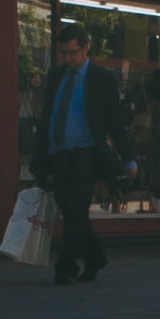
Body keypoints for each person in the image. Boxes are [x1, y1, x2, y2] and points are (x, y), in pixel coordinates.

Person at [32, 25, 125, 285]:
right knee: (70, 210)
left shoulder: (100, 79)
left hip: (86, 153)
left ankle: (66, 265)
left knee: (76, 209)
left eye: (72, 53)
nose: (68, 58)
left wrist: (128, 157)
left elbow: (115, 121)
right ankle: (95, 256)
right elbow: (47, 116)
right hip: (59, 152)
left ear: (85, 49)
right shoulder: (57, 76)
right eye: (63, 53)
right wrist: (40, 155)